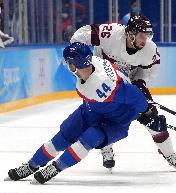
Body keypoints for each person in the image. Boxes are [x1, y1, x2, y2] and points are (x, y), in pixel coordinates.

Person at [6, 42, 148, 184]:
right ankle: (31, 165)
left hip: (114, 122)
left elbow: (132, 94)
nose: (68, 66)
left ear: (74, 65)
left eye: (69, 63)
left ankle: (57, 167)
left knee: (90, 137)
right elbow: (125, 84)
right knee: (62, 137)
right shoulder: (95, 62)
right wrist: (144, 108)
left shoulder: (99, 85)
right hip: (91, 111)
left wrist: (145, 109)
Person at [70, 14, 176, 171]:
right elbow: (81, 35)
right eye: (141, 35)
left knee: (153, 118)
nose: (145, 40)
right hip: (101, 81)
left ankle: (170, 155)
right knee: (101, 116)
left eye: (147, 36)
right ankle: (106, 148)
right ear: (130, 33)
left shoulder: (150, 50)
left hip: (128, 84)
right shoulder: (112, 34)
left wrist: (139, 83)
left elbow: (148, 72)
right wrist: (82, 59)